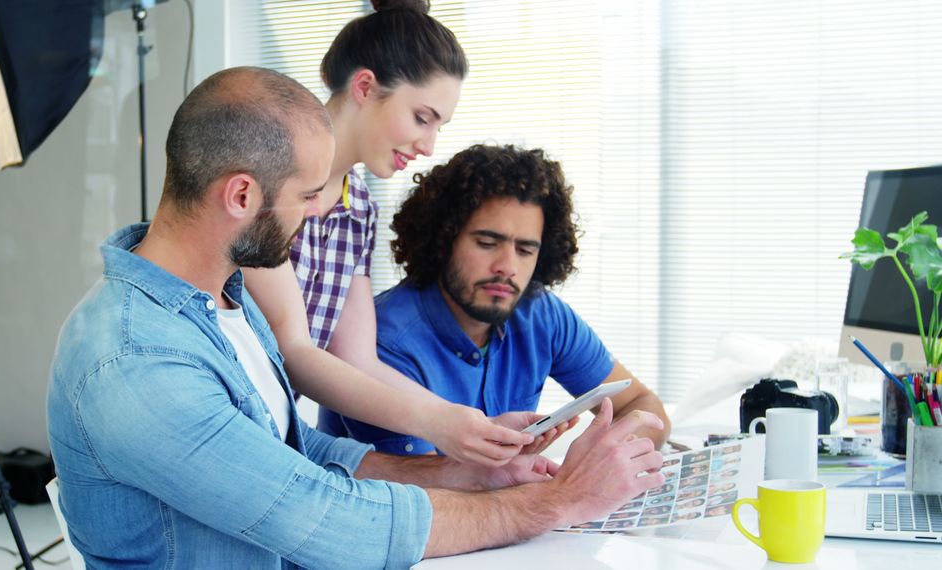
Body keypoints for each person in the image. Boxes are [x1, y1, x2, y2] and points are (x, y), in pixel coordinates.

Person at [47, 67, 666, 568]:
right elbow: (321, 518)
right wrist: (555, 502)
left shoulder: (224, 302)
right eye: (307, 195)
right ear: (241, 196)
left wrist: (466, 473)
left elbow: (299, 451)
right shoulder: (136, 359)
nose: (318, 215)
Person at [242, 0, 559, 466]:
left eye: (439, 126)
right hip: (213, 419)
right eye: (421, 117)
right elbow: (292, 351)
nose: (428, 146)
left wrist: (462, 422)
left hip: (268, 432)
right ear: (366, 87)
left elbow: (359, 361)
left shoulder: (358, 208)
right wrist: (440, 423)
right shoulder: (274, 175)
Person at [328, 144, 673, 454]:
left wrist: (608, 454)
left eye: (525, 250)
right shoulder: (383, 341)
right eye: (487, 243)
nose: (507, 267)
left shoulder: (541, 314)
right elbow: (425, 493)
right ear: (443, 239)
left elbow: (642, 404)